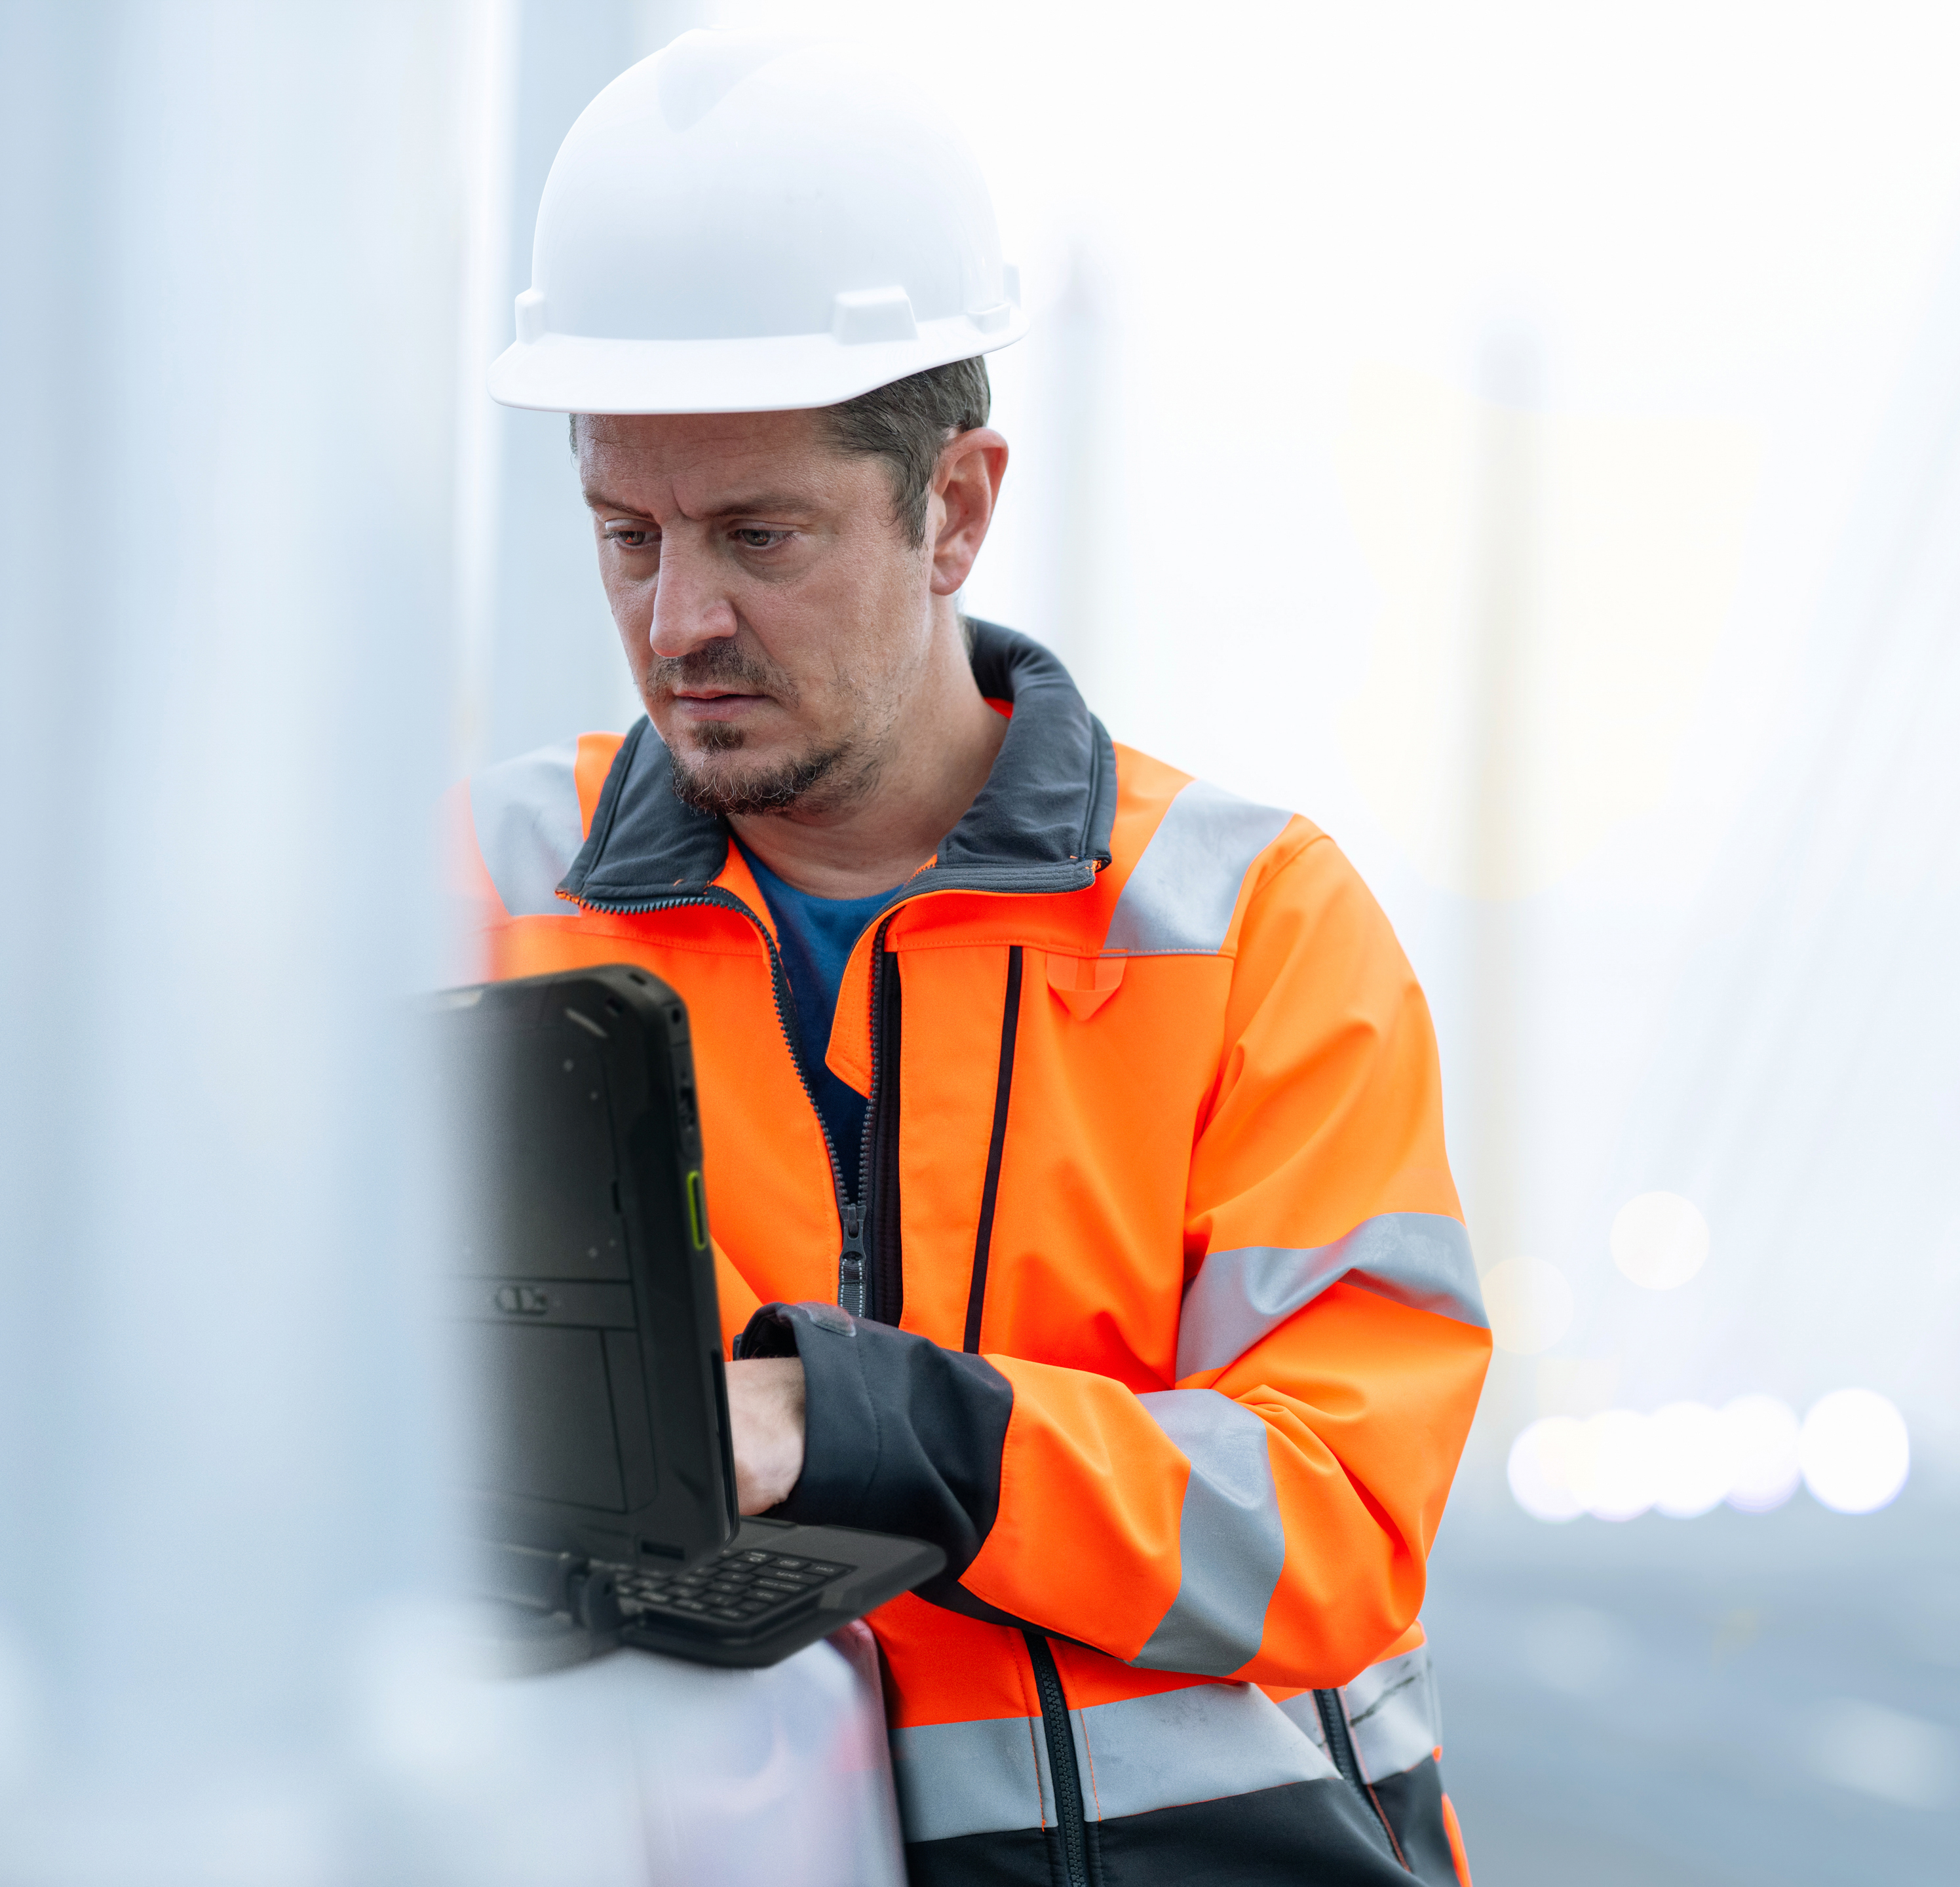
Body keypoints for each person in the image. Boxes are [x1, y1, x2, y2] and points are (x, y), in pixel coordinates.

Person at [452, 30, 1489, 1886]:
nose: (679, 619)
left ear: (958, 506)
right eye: (628, 536)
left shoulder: (1251, 926)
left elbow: (1335, 1522)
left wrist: (852, 1425)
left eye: (759, 536)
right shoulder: (485, 886)